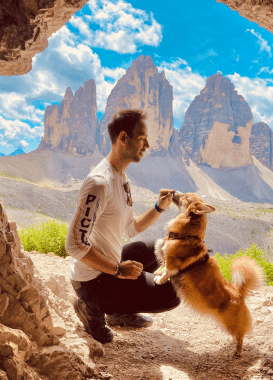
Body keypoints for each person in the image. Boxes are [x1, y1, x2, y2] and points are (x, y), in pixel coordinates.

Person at [65, 108, 180, 344]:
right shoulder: (99, 184)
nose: (147, 145)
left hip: (109, 265)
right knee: (174, 293)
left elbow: (130, 228)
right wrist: (119, 270)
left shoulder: (121, 178)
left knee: (161, 248)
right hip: (92, 281)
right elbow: (75, 244)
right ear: (123, 138)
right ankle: (90, 308)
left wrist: (159, 207)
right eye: (142, 138)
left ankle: (119, 312)